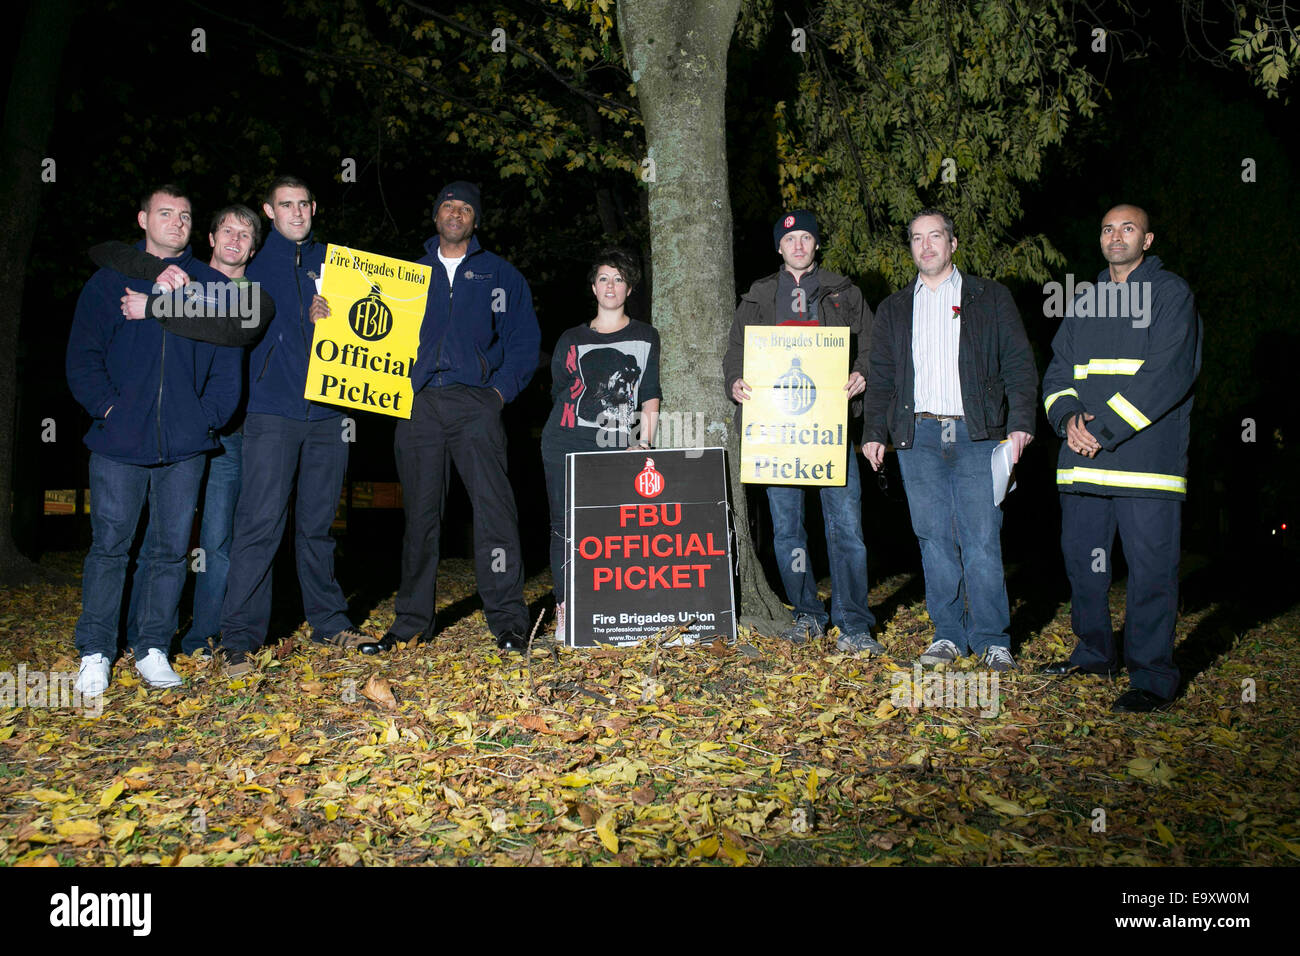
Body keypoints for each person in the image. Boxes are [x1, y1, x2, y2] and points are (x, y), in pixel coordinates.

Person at [67, 185, 242, 696]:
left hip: (185, 445)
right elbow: (82, 356)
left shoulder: (213, 287)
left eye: (186, 215)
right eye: (165, 214)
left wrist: (205, 420)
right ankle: (96, 649)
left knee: (168, 551)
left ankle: (152, 648)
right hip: (118, 440)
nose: (177, 222)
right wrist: (108, 408)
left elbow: (229, 363)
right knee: (110, 547)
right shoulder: (108, 282)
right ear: (143, 219)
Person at [359, 181, 541, 655]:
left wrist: (498, 394)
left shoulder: (499, 276)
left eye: (465, 208)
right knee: (419, 516)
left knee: (494, 512)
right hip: (418, 406)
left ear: (475, 220)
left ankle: (508, 622)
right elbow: (370, 327)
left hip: (475, 404)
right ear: (435, 215)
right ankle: (412, 623)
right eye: (447, 206)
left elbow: (523, 343)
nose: (455, 213)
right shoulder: (407, 275)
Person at [1039, 204, 1202, 712]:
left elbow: (1167, 375)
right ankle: (1093, 654)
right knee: (1084, 568)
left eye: (1128, 228)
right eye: (1107, 228)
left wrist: (1101, 430)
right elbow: (1057, 372)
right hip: (1083, 462)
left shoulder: (1171, 294)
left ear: (1147, 240)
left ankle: (1152, 677)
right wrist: (1067, 420)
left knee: (1152, 573)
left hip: (1146, 466)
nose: (1116, 236)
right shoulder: (1084, 300)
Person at [90, 204, 270, 656]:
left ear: (254, 247)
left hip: (216, 429)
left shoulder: (246, 295)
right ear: (209, 238)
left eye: (244, 235)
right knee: (147, 538)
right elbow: (104, 250)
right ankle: (130, 638)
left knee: (209, 541)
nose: (234, 240)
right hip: (156, 429)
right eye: (225, 230)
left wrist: (155, 306)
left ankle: (198, 637)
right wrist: (159, 275)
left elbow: (236, 330)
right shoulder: (179, 273)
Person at [861, 209, 1037, 672]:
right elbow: (881, 379)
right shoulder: (895, 309)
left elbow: (1019, 364)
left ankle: (993, 638)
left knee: (981, 538)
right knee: (934, 538)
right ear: (911, 248)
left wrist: (1021, 423)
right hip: (917, 438)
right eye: (917, 238)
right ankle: (948, 634)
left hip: (978, 434)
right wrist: (874, 432)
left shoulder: (990, 298)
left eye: (935, 236)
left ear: (953, 243)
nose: (927, 246)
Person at [217, 176, 369, 677]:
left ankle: (330, 622)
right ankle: (239, 639)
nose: (297, 212)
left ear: (314, 206)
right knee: (260, 524)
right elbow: (238, 322)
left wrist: (341, 315)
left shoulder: (341, 263)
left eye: (304, 203)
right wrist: (299, 319)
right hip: (272, 411)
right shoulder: (254, 264)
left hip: (329, 413)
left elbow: (372, 325)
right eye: (286, 205)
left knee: (318, 526)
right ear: (269, 211)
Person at [723, 210, 879, 653]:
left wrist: (862, 372)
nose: (798, 245)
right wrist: (735, 380)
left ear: (815, 245)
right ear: (779, 247)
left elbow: (870, 343)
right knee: (788, 530)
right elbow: (735, 351)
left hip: (830, 425)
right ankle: (807, 614)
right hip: (775, 429)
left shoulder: (843, 292)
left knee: (845, 526)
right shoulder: (758, 296)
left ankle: (854, 623)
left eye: (806, 237)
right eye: (790, 238)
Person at [540, 249, 660, 636]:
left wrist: (645, 443)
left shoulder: (645, 335)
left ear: (629, 288)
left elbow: (650, 394)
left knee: (616, 528)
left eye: (619, 279)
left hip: (618, 444)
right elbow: (562, 390)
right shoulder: (571, 338)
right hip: (565, 441)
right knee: (565, 525)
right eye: (604, 278)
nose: (611, 286)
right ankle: (566, 609)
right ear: (594, 287)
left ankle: (616, 610)